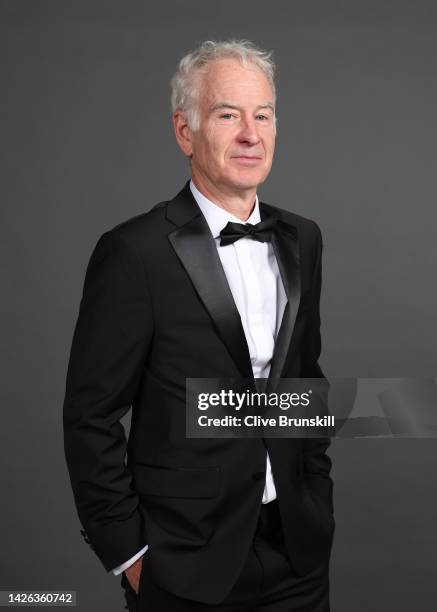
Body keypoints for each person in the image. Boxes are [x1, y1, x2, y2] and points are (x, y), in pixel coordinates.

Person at [63, 39, 335, 611]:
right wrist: (130, 556)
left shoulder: (303, 238)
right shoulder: (133, 253)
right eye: (227, 114)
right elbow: (90, 416)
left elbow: (304, 382)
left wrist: (314, 494)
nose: (250, 134)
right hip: (183, 564)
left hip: (297, 554)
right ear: (185, 132)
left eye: (263, 115)